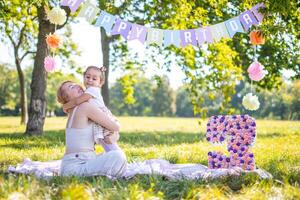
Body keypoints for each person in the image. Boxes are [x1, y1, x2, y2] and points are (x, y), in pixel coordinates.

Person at [57, 81, 127, 177]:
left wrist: (114, 135)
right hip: (75, 168)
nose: (77, 85)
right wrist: (115, 133)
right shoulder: (84, 107)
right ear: (66, 97)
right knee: (118, 157)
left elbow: (107, 130)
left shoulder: (72, 110)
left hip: (71, 165)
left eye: (75, 84)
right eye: (71, 87)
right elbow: (115, 126)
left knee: (110, 155)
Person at [63, 66, 120, 151]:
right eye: (88, 77)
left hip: (102, 114)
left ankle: (116, 154)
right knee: (104, 140)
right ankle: (113, 153)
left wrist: (65, 106)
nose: (90, 80)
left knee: (107, 137)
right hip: (98, 116)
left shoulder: (92, 90)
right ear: (84, 77)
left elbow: (77, 101)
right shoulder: (88, 90)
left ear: (100, 82)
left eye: (94, 79)